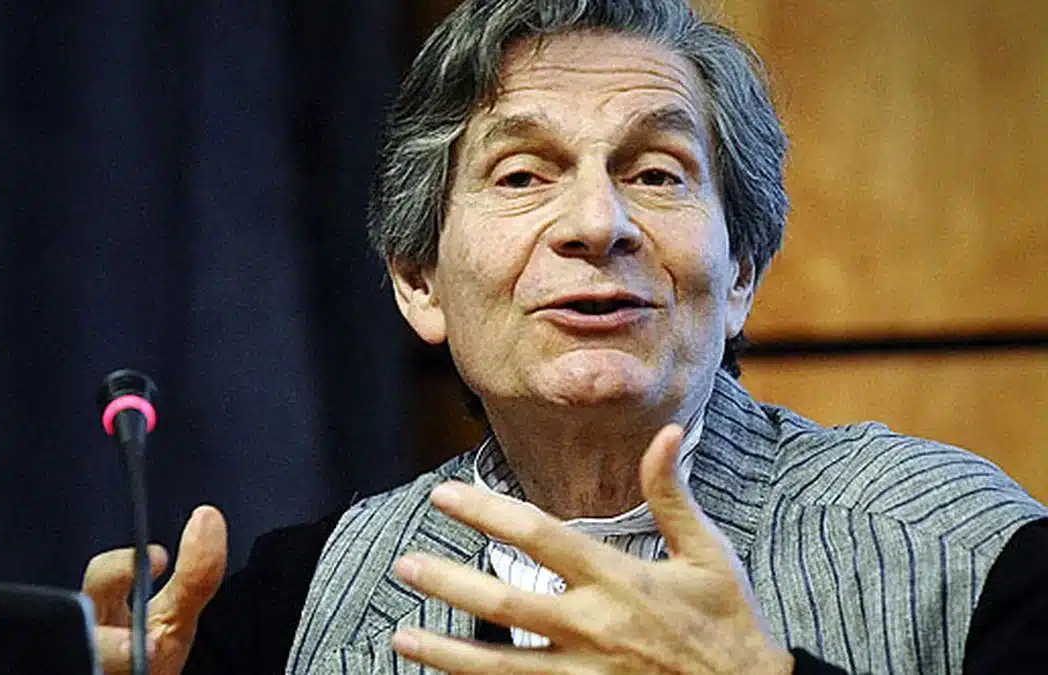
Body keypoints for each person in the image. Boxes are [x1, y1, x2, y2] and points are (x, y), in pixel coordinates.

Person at [82, 1, 1048, 673]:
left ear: (741, 273)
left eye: (657, 173)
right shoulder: (289, 612)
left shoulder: (973, 555)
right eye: (522, 175)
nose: (597, 223)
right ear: (419, 281)